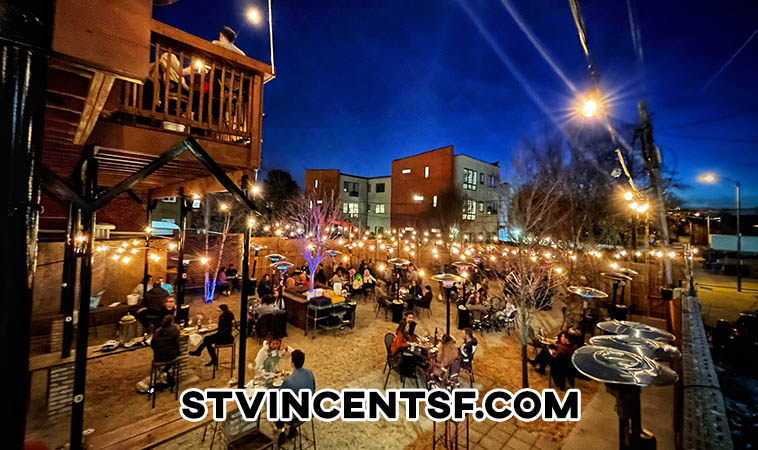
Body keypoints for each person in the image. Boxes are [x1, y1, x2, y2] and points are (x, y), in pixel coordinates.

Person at [276, 349, 316, 445]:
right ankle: (292, 430)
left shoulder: (288, 381)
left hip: (295, 416)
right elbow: (314, 388)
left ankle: (281, 431)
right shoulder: (310, 373)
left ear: (292, 363)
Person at [151, 315, 180, 387]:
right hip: (170, 356)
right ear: (172, 322)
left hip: (157, 357)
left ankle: (164, 373)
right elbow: (176, 345)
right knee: (175, 357)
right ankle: (165, 372)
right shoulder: (175, 331)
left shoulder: (156, 331)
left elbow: (152, 345)